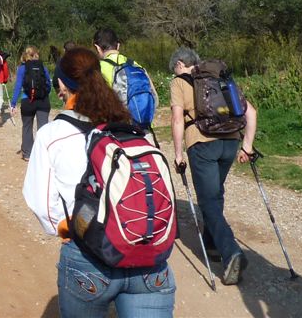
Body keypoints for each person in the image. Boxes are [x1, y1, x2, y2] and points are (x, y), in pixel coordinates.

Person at [23, 47, 176, 317]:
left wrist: (68, 227)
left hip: (89, 257)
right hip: (147, 256)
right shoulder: (129, 127)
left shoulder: (52, 135)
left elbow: (42, 203)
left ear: (62, 86)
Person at [170, 46, 257, 286]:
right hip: (230, 142)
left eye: (174, 68)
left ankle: (231, 251)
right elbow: (251, 112)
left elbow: (177, 119)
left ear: (179, 64)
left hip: (202, 144)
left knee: (208, 200)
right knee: (215, 193)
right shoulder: (218, 77)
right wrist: (247, 146)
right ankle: (212, 245)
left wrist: (178, 154)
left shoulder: (179, 82)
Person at [93, 28, 159, 121]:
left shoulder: (98, 68)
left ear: (97, 48)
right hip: (142, 126)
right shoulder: (135, 65)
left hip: (117, 126)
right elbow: (155, 99)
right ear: (118, 46)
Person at [9, 45, 52, 161]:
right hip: (43, 101)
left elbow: (18, 87)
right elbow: (49, 84)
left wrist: (13, 104)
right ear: (36, 54)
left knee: (27, 127)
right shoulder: (43, 67)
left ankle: (27, 153)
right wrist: (44, 94)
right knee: (43, 128)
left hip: (27, 101)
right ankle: (43, 154)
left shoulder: (22, 68)